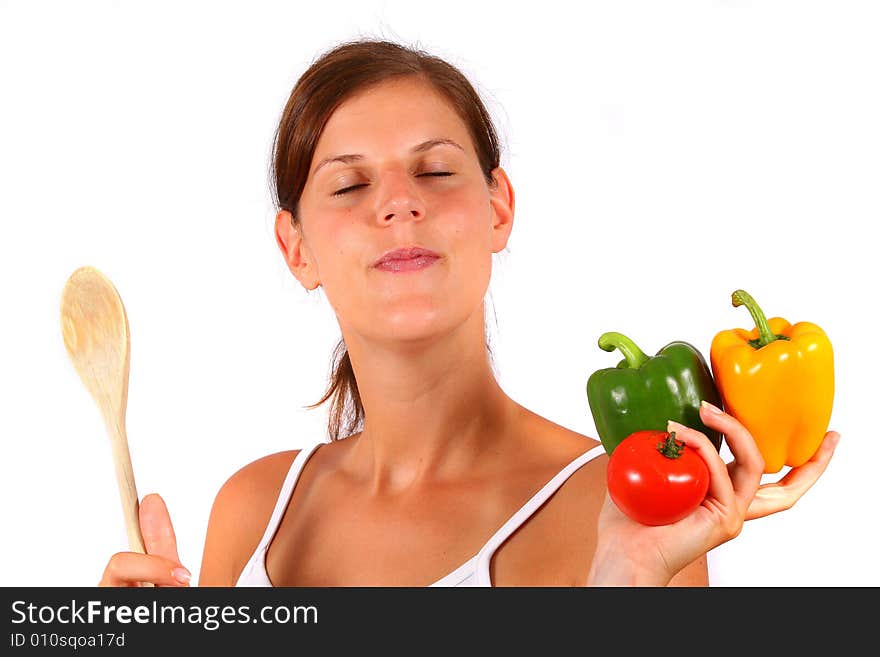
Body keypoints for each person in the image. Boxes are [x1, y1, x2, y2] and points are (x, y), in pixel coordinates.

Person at [98, 38, 839, 588]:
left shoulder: (619, 510)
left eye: (435, 170)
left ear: (498, 209)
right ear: (297, 249)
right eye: (350, 186)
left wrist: (626, 581)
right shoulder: (255, 511)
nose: (399, 201)